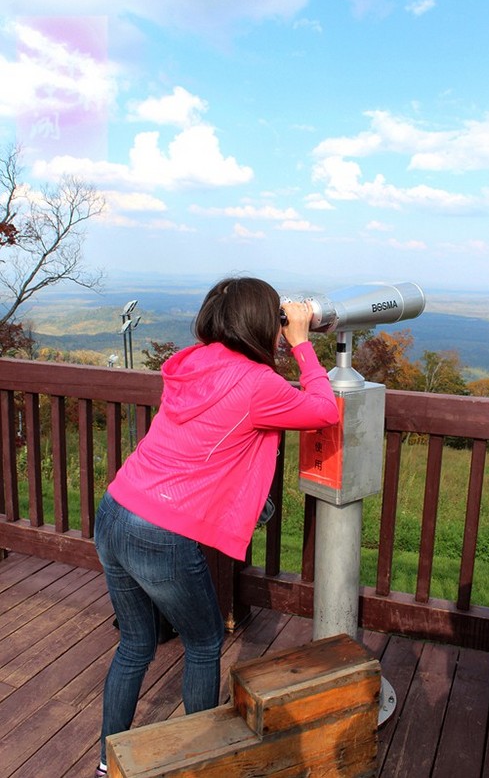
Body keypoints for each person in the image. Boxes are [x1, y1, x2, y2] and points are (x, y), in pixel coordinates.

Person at [93, 276, 339, 777]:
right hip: (157, 528)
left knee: (135, 644)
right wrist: (301, 346)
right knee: (203, 645)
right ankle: (199, 765)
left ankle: (105, 762)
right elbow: (324, 409)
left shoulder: (194, 363)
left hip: (115, 508)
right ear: (260, 324)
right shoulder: (258, 384)